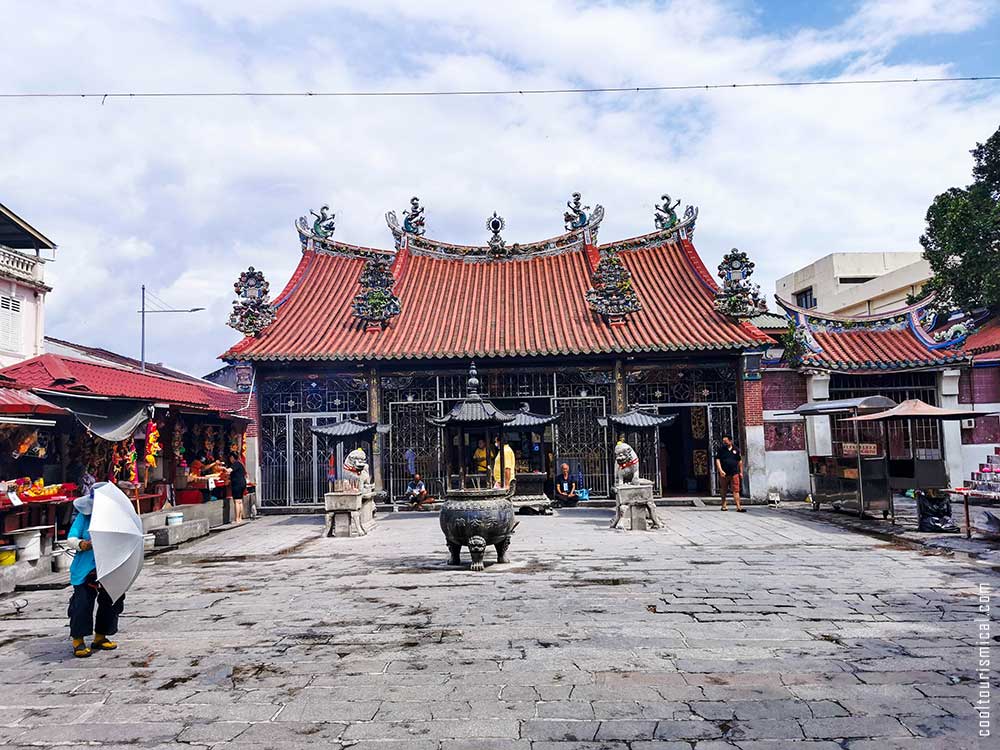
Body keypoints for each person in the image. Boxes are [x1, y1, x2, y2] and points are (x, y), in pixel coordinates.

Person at [65, 492, 125, 658]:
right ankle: (78, 639)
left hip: (109, 566)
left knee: (112, 600)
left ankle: (101, 636)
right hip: (85, 569)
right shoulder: (84, 518)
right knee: (82, 602)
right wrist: (82, 544)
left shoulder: (117, 519)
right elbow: (71, 538)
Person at [715, 435, 745, 512]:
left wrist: (741, 472)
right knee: (723, 489)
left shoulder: (736, 450)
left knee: (736, 490)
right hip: (724, 473)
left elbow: (740, 461)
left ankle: (738, 506)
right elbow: (717, 460)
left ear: (730, 441)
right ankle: (724, 505)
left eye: (726, 441)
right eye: (723, 442)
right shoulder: (721, 450)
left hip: (734, 472)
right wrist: (720, 470)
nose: (724, 443)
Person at [228, 451, 247, 523]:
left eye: (230, 458)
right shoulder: (240, 464)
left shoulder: (235, 464)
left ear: (232, 457)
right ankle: (240, 518)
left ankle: (237, 519)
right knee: (240, 501)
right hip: (242, 483)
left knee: (236, 501)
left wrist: (223, 469)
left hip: (237, 484)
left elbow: (229, 470)